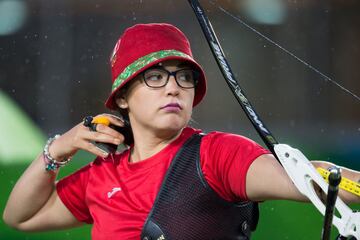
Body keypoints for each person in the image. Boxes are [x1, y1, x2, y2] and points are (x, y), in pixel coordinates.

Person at [3, 23, 359, 239]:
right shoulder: (102, 175)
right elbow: (20, 216)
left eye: (183, 77)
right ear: (123, 97)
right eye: (156, 77)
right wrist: (59, 149)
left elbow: (303, 177)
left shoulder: (217, 155)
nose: (174, 88)